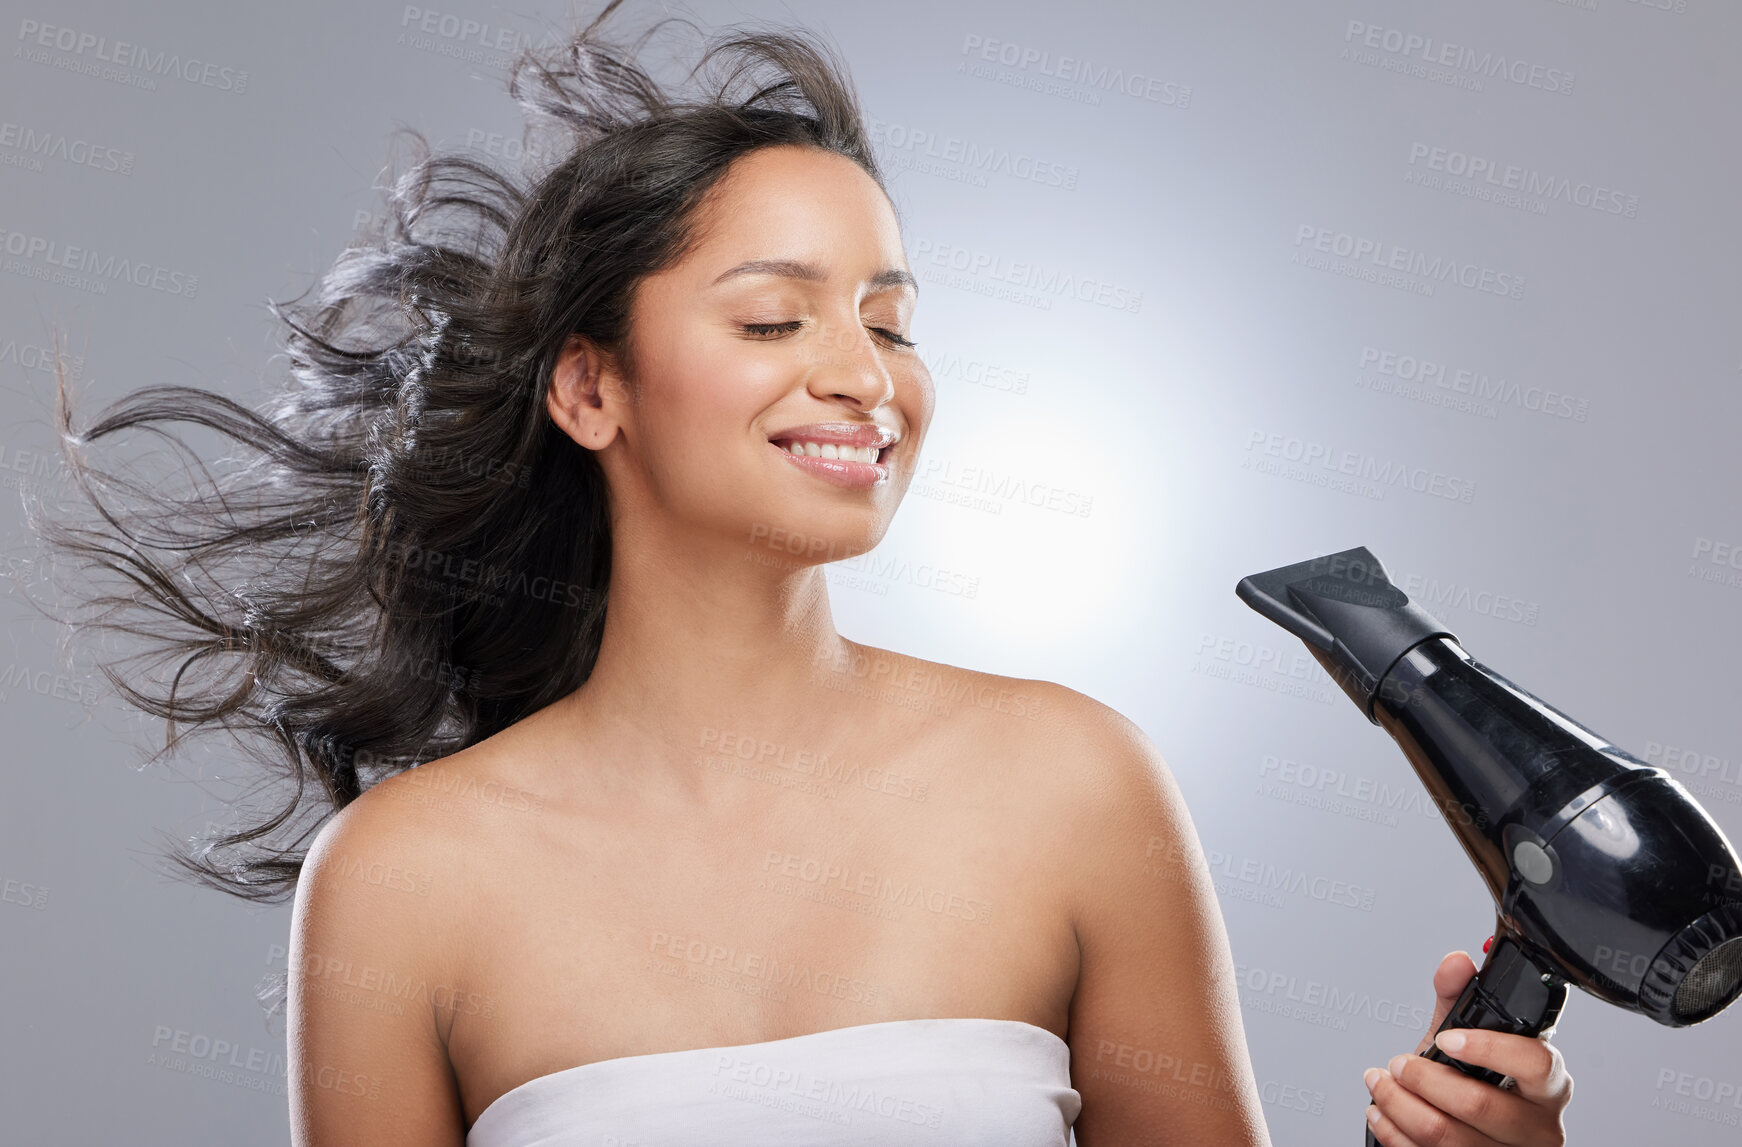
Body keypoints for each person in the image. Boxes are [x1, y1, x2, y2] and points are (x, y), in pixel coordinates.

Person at [40, 4, 1572, 1145]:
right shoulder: (399, 884)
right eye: (775, 321)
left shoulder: (1067, 782)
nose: (863, 376)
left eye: (890, 322)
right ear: (591, 391)